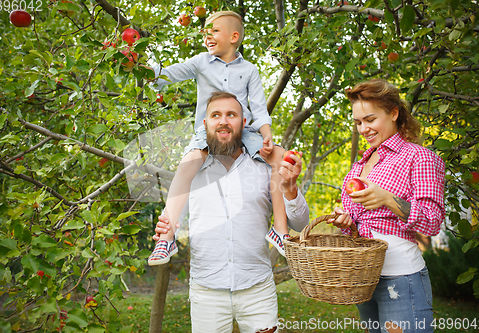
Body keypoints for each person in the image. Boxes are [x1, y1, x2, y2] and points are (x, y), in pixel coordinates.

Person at [154, 92, 309, 333]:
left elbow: (300, 224)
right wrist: (165, 230)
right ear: (205, 124)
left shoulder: (267, 167)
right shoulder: (191, 169)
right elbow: (172, 220)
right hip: (206, 293)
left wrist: (290, 189)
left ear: (244, 123)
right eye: (216, 115)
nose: (223, 121)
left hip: (258, 290)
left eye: (231, 115)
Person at [147, 11, 290, 266]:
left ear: (233, 37)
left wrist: (267, 136)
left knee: (280, 157)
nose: (207, 37)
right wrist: (145, 68)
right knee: (189, 162)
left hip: (243, 131)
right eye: (204, 33)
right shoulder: (201, 61)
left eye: (213, 31)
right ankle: (166, 238)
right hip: (209, 131)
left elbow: (258, 108)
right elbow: (167, 75)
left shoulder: (249, 70)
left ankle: (280, 230)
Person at [327, 79, 445, 333]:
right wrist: (346, 220)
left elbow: (432, 221)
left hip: (402, 279)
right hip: (366, 279)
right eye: (358, 122)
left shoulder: (419, 157)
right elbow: (360, 227)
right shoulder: (359, 167)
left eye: (370, 119)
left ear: (393, 112)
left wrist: (388, 199)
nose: (364, 129)